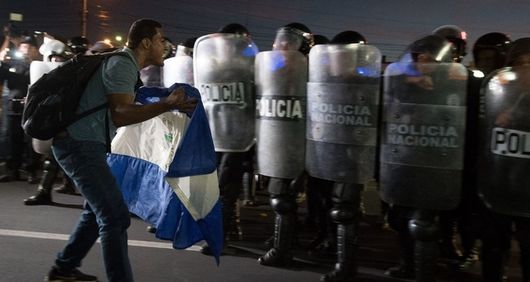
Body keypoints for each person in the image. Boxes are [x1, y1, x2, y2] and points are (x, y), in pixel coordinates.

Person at [43, 18, 197, 282]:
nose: (165, 46)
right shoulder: (122, 63)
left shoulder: (126, 67)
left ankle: (63, 269)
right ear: (147, 42)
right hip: (78, 145)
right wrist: (166, 104)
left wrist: (169, 103)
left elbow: (127, 107)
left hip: (86, 145)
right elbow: (122, 113)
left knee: (96, 212)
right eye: (161, 40)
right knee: (114, 217)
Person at [256, 22, 314, 267]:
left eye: (287, 42)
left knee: (282, 196)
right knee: (282, 196)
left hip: (296, 143)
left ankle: (282, 250)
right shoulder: (273, 67)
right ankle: (286, 238)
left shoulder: (309, 70)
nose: (279, 46)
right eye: (278, 41)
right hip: (276, 140)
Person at [479, 37, 530, 282]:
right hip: (499, 183)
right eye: (520, 63)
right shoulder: (497, 92)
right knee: (493, 245)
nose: (526, 70)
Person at [24, 38, 77, 206]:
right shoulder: (59, 69)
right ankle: (47, 190)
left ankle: (46, 191)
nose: (56, 61)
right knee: (55, 156)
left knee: (62, 156)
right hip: (55, 117)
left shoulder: (71, 70)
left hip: (64, 117)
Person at [0, 34, 42, 183]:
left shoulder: (39, 65)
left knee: (30, 141)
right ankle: (13, 170)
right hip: (13, 107)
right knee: (12, 139)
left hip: (31, 109)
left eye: (29, 47)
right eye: (23, 46)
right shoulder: (10, 65)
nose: (25, 49)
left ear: (35, 49)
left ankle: (31, 171)